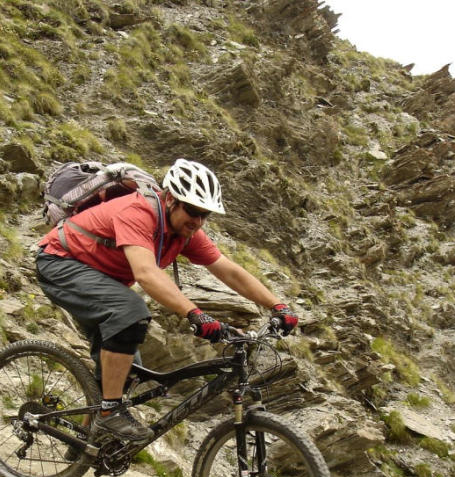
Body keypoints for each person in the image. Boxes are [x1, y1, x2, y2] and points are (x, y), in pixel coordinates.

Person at [35, 158, 298, 443]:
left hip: (102, 281)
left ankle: (86, 438)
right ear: (171, 198)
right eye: (193, 211)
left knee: (127, 369)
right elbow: (146, 274)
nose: (197, 222)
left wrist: (277, 305)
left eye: (205, 215)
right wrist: (195, 314)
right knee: (131, 310)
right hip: (60, 263)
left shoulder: (186, 232)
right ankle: (109, 414)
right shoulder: (138, 211)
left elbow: (228, 270)